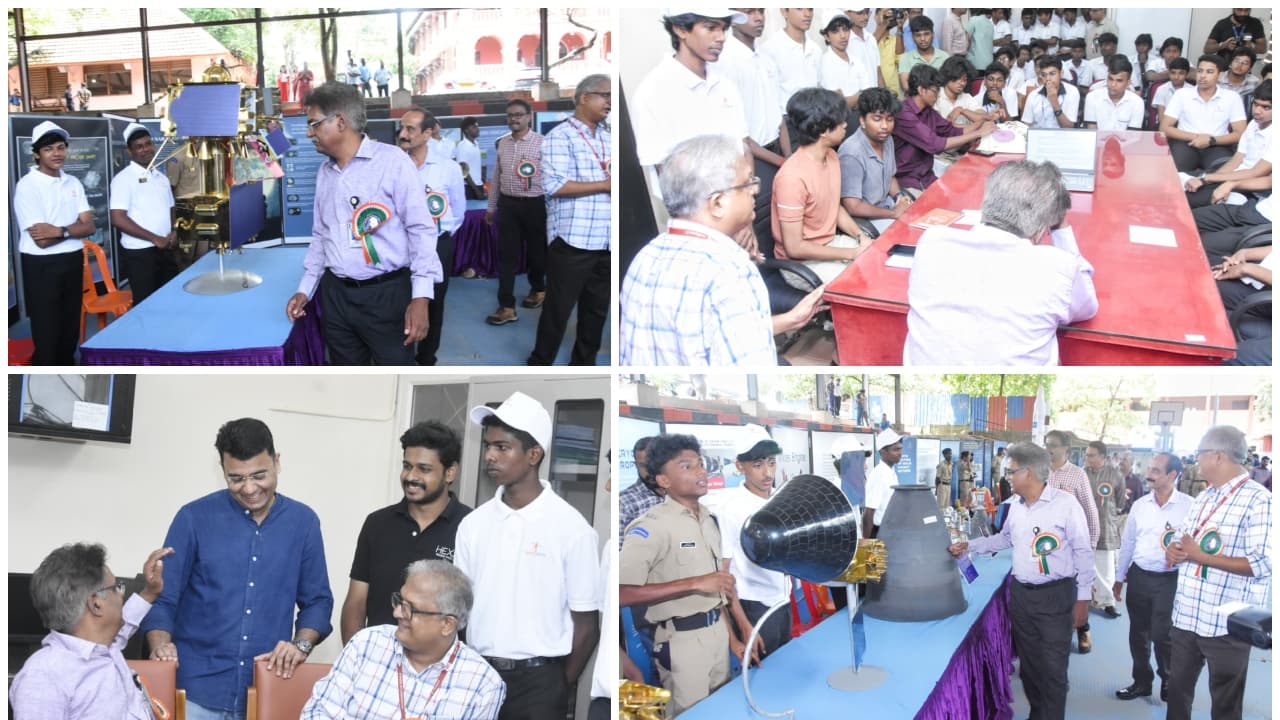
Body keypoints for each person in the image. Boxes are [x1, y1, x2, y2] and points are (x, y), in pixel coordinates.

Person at [142, 418, 334, 719]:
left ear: (277, 462)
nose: (249, 488)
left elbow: (318, 602)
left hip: (268, 689)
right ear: (223, 471)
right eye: (236, 479)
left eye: (259, 476)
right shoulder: (193, 518)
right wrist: (161, 647)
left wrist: (301, 645)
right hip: (194, 692)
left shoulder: (303, 522)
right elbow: (163, 597)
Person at [454, 392, 601, 720]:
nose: (490, 456)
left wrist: (557, 686)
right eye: (487, 446)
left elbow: (587, 625)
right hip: (477, 674)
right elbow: (459, 609)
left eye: (502, 447)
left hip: (540, 683)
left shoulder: (571, 528)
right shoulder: (472, 525)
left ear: (533, 454)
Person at [619, 134, 826, 366]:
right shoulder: (727, 268)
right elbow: (751, 364)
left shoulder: (645, 256)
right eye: (747, 183)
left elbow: (706, 335)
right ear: (717, 203)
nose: (755, 190)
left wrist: (790, 320)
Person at [286, 83, 440, 365]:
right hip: (336, 297)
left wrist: (421, 297)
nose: (309, 133)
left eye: (314, 124)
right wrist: (305, 288)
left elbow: (421, 230)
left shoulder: (392, 162)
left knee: (393, 374)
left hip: (387, 296)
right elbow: (322, 234)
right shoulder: (326, 172)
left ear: (340, 121)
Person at [949, 442, 1094, 720]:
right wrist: (970, 546)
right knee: (1029, 667)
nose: (1007, 477)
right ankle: (1038, 713)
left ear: (1028, 473)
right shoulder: (1015, 506)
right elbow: (1004, 538)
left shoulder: (1065, 505)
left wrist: (1083, 599)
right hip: (1021, 597)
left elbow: (1083, 552)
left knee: (1052, 670)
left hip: (1056, 596)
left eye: (1011, 471)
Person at [904, 160, 1096, 366]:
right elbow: (1087, 308)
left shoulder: (932, 242)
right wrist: (1060, 227)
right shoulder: (1058, 266)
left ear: (985, 201)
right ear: (1042, 229)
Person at [619, 434, 743, 715]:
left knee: (719, 708)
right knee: (689, 713)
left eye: (700, 464)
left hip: (716, 634)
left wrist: (732, 638)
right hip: (681, 641)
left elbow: (715, 590)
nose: (701, 471)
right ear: (663, 480)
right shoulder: (651, 527)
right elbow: (620, 592)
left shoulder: (708, 520)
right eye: (687, 466)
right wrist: (695, 583)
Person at [304, 560, 505, 719]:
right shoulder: (366, 644)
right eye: (400, 601)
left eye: (410, 608)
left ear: (447, 625)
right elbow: (316, 712)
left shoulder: (482, 683)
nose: (398, 612)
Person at [1165, 426, 1272, 720]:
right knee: (1177, 693)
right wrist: (1175, 552)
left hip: (1226, 624)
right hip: (1187, 615)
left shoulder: (1259, 500)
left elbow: (1263, 563)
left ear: (1218, 456)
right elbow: (1185, 539)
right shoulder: (1203, 497)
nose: (1196, 461)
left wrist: (1203, 557)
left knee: (1225, 703)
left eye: (1200, 455)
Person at [340, 421, 472, 644]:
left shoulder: (470, 526)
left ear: (450, 472)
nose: (411, 476)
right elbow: (356, 602)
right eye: (407, 466)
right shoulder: (377, 523)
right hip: (380, 664)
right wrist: (356, 658)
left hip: (443, 670)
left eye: (424, 469)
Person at [10, 544, 173, 719]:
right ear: (96, 604)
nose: (121, 595)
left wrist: (150, 592)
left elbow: (124, 625)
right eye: (117, 587)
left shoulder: (104, 648)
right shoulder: (44, 677)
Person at [528, 74, 612, 366]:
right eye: (605, 95)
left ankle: (583, 363)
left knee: (597, 312)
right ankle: (540, 363)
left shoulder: (609, 136)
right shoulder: (559, 137)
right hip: (573, 241)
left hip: (606, 240)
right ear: (584, 97)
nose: (610, 102)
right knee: (558, 310)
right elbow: (555, 186)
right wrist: (604, 185)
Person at [1112, 452, 1192, 703]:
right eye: (1149, 469)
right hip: (1139, 576)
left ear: (1172, 475)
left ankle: (1168, 678)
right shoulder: (1140, 505)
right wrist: (1119, 577)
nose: (1149, 475)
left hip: (1169, 579)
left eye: (1156, 471)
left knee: (1162, 634)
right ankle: (1142, 682)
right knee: (1138, 633)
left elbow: (1196, 545)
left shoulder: (1190, 506)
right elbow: (1128, 543)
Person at [13, 120, 95, 366]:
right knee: (48, 332)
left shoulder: (73, 182)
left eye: (61, 147)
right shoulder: (27, 186)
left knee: (70, 327)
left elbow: (89, 226)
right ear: (37, 153)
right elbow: (42, 242)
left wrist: (59, 230)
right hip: (42, 265)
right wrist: (72, 230)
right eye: (49, 149)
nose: (57, 153)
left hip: (71, 260)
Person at [772, 87, 874, 283]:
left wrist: (861, 236)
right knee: (862, 283)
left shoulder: (832, 156)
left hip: (830, 243)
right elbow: (794, 247)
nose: (845, 124)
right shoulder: (792, 178)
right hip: (803, 263)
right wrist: (852, 253)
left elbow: (833, 207)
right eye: (839, 121)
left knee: (880, 260)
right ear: (823, 131)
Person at [631, 10, 750, 169]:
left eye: (723, 29)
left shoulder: (725, 84)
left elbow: (743, 145)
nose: (721, 37)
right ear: (680, 30)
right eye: (710, 27)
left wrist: (746, 188)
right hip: (693, 194)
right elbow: (664, 169)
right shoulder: (652, 92)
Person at [396, 106, 464, 367]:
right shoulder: (392, 166)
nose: (403, 134)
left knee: (433, 305)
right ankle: (400, 355)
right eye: (401, 128)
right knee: (400, 301)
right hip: (400, 247)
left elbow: (457, 212)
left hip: (438, 246)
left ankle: (426, 359)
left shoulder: (448, 169)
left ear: (427, 134)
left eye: (410, 129)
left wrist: (437, 237)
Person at [720, 425, 793, 660]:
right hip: (755, 606)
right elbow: (725, 572)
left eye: (771, 463)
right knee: (761, 678)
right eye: (758, 465)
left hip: (782, 601)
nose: (767, 473)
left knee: (783, 667)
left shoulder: (780, 500)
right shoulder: (730, 510)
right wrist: (743, 624)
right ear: (740, 466)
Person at [484, 98, 546, 326]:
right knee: (506, 257)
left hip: (535, 204)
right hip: (508, 206)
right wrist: (491, 207)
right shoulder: (503, 144)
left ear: (529, 116)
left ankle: (539, 289)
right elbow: (496, 177)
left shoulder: (542, 143)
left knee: (537, 253)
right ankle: (506, 306)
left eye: (519, 114)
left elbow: (551, 179)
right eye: (511, 115)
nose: (514, 119)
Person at [718, 7, 788, 204]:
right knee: (762, 218)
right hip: (754, 160)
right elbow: (739, 134)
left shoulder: (765, 57)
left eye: (761, 11)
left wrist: (788, 156)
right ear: (732, 18)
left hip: (778, 152)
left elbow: (778, 114)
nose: (758, 18)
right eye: (749, 12)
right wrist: (782, 162)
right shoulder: (726, 62)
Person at [1044, 429, 1101, 654]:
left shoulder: (1078, 475)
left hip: (1073, 546)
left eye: (1053, 445)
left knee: (1077, 591)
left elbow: (1090, 510)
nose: (1048, 448)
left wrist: (1092, 545)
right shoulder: (1040, 472)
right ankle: (1057, 635)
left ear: (1066, 449)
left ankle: (1083, 629)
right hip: (1046, 546)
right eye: (1046, 444)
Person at [893, 64, 994, 192]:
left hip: (927, 177)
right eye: (935, 91)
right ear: (921, 90)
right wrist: (977, 133)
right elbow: (934, 144)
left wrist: (981, 122)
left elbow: (951, 130)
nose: (937, 96)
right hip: (907, 181)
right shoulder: (904, 114)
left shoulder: (928, 111)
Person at [110, 123, 178, 306]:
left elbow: (171, 208)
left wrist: (173, 231)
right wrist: (154, 238)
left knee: (169, 302)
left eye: (148, 144)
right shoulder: (122, 180)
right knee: (146, 306)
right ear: (129, 152)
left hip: (166, 249)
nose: (146, 149)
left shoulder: (161, 178)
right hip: (140, 255)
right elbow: (118, 218)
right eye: (139, 146)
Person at [1183, 79, 1271, 209]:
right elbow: (1237, 159)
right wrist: (1209, 179)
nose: (1257, 111)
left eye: (1266, 107)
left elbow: (1255, 173)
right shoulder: (1253, 124)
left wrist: (1206, 179)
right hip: (1234, 177)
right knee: (1179, 182)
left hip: (1250, 189)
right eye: (1256, 104)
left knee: (1185, 199)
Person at [1160, 55, 1247, 173]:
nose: (1203, 76)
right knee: (1173, 172)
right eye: (1200, 71)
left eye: (1209, 72)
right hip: (1185, 144)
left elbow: (1240, 133)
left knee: (1222, 174)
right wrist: (1197, 137)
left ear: (1220, 75)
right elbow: (1165, 128)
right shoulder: (1182, 94)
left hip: (1217, 145)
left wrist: (1211, 140)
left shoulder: (1232, 97)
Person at [1083, 441, 1123, 618]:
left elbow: (1121, 501)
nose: (1088, 458)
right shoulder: (1082, 474)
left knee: (1106, 567)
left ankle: (1108, 602)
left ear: (1103, 457)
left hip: (1106, 526)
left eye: (1091, 455)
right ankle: (1087, 599)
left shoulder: (1115, 475)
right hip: (1084, 528)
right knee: (1085, 565)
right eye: (1087, 455)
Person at [761, 8, 822, 115]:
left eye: (810, 9)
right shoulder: (770, 49)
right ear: (784, 11)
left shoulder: (816, 49)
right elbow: (768, 97)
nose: (807, 14)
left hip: (815, 119)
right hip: (786, 119)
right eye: (799, 8)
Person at [818, 12, 873, 109]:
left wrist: (850, 99)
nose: (843, 35)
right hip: (837, 121)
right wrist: (860, 95)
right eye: (835, 31)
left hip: (861, 116)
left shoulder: (857, 61)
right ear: (826, 36)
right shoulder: (824, 63)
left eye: (845, 29)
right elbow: (837, 105)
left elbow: (869, 95)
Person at [619, 437, 663, 544]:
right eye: (644, 465)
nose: (650, 470)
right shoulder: (624, 502)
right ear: (636, 466)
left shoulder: (679, 493)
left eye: (654, 463)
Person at [1084, 55, 1145, 131]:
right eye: (1110, 79)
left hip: (1126, 142)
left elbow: (1132, 136)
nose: (1113, 84)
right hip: (1098, 142)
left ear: (1128, 83)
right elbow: (1091, 133)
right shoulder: (1092, 97)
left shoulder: (1137, 102)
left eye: (1119, 81)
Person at [863, 428, 904, 538]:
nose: (900, 453)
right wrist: (866, 546)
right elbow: (869, 513)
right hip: (879, 533)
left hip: (890, 531)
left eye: (900, 449)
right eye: (895, 450)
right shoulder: (879, 474)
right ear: (883, 452)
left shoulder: (891, 472)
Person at [1023, 56, 1081, 128]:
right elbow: (1026, 125)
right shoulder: (1033, 95)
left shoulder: (1072, 91)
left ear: (1061, 73)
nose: (1048, 79)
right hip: (1038, 137)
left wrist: (1055, 103)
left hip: (1063, 137)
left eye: (1052, 74)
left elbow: (1068, 127)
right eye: (1044, 75)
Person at [897, 15, 949, 94]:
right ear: (913, 37)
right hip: (916, 103)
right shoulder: (905, 58)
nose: (923, 39)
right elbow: (906, 86)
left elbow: (948, 84)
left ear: (933, 35)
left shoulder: (944, 57)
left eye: (926, 34)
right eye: (918, 35)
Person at [935, 55, 991, 127]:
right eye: (958, 78)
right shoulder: (935, 95)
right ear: (948, 76)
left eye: (965, 79)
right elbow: (940, 127)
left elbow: (984, 118)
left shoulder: (966, 97)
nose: (962, 83)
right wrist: (972, 127)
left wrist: (963, 111)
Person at [455, 117, 486, 199]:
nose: (478, 129)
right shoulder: (462, 146)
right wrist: (476, 191)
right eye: (474, 127)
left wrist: (482, 186)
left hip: (478, 185)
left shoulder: (476, 143)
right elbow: (464, 171)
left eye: (477, 126)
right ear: (466, 130)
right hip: (469, 188)